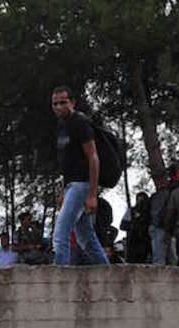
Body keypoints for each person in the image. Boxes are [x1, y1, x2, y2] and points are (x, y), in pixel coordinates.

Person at [51, 86, 109, 266]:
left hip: (81, 185)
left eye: (63, 102)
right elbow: (67, 164)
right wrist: (63, 191)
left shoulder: (80, 123)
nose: (58, 107)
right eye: (55, 103)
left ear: (73, 102)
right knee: (86, 238)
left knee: (61, 233)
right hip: (71, 186)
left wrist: (92, 194)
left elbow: (93, 157)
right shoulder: (62, 127)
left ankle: (59, 277)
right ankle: (107, 273)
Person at [121, 192, 152, 263]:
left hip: (146, 242)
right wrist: (133, 225)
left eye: (142, 199)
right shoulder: (131, 211)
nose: (140, 202)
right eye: (139, 199)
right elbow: (122, 226)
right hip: (132, 242)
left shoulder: (150, 212)